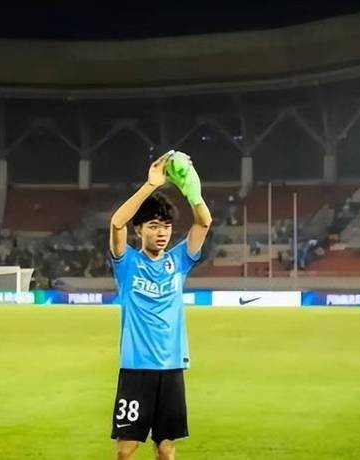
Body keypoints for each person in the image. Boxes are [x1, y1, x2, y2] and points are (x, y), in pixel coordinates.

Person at [108, 152, 212, 460]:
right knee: (126, 449)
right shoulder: (127, 263)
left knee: (166, 449)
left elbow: (204, 222)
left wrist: (192, 191)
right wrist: (151, 185)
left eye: (166, 226)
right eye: (153, 226)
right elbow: (116, 223)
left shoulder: (179, 260)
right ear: (139, 230)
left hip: (171, 368)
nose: (162, 232)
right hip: (136, 367)